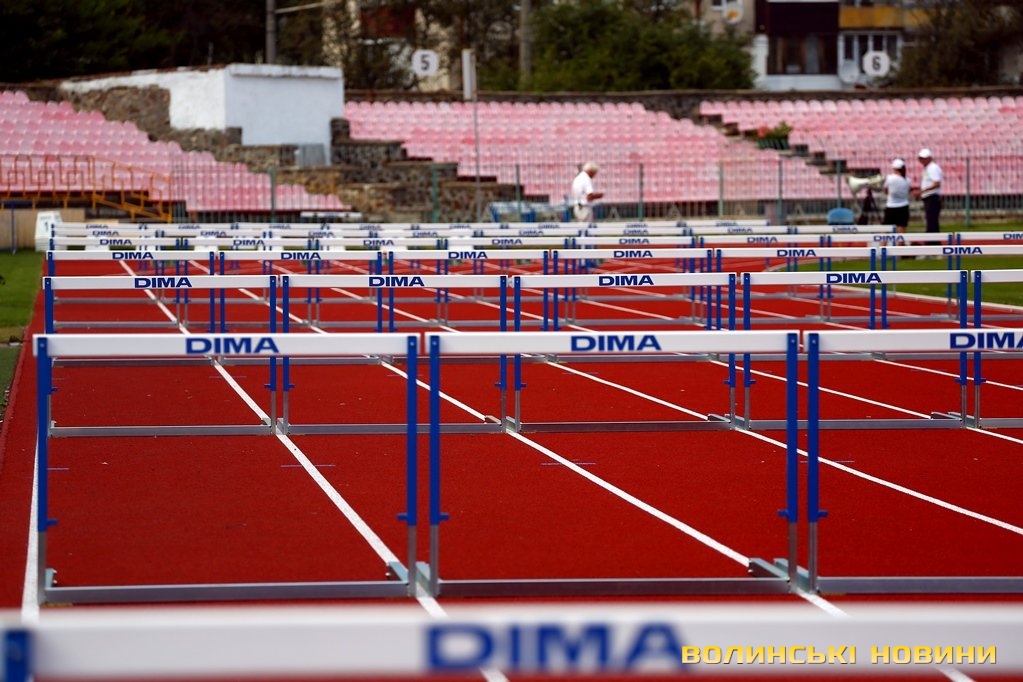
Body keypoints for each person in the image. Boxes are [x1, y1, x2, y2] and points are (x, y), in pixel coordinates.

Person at [913, 148, 943, 246]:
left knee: (931, 222)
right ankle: (933, 243)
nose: (921, 160)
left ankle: (931, 244)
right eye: (920, 158)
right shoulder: (929, 168)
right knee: (931, 222)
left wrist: (921, 191)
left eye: (923, 158)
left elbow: (936, 183)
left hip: (932, 198)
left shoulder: (932, 168)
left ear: (929, 158)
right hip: (930, 197)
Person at [882, 158, 910, 232]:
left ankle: (884, 241)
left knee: (886, 230)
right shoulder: (907, 180)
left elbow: (885, 190)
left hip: (891, 206)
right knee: (901, 230)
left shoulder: (890, 178)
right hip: (904, 206)